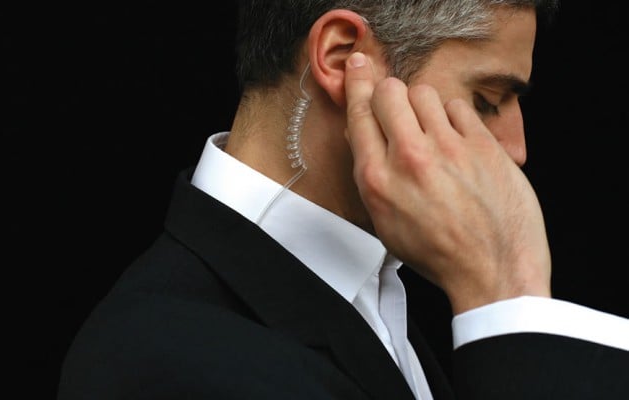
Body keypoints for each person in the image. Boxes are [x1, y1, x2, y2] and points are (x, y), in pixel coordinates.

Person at [57, 1, 629, 399]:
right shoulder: (170, 358)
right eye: (486, 98)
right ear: (341, 57)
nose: (516, 149)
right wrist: (507, 292)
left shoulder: (382, 291)